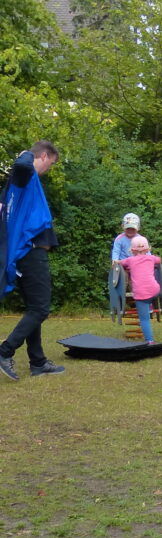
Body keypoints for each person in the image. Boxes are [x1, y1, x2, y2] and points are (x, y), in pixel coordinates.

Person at [0, 141, 62, 381]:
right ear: (44, 156)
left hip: (26, 254)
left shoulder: (17, 187)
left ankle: (37, 362)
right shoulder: (24, 173)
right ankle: (5, 351)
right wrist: (27, 153)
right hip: (31, 253)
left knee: (33, 308)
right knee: (40, 308)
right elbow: (22, 164)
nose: (49, 169)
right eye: (51, 164)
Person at [118, 235, 162, 342]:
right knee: (150, 296)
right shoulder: (151, 258)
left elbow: (120, 263)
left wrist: (118, 263)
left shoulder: (129, 260)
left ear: (132, 250)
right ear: (147, 249)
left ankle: (149, 341)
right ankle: (150, 306)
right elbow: (159, 260)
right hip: (155, 289)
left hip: (141, 294)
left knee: (144, 320)